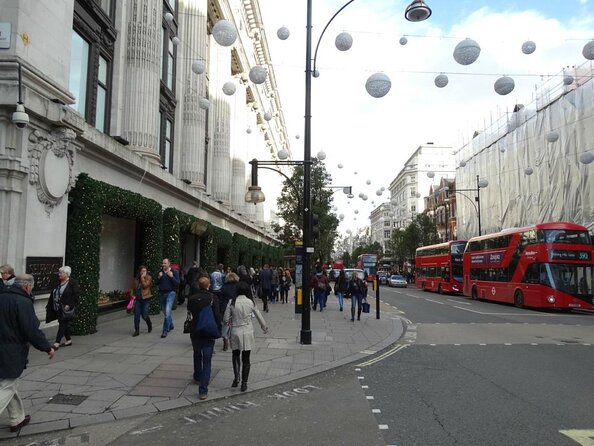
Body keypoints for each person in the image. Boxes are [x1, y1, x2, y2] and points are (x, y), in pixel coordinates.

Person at [0, 275, 55, 432]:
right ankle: (17, 419)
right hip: (11, 351)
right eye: (32, 286)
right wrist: (47, 347)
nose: (32, 289)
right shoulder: (22, 302)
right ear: (26, 286)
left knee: (9, 383)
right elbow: (31, 330)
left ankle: (17, 419)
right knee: (7, 385)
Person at [223, 281, 268, 392]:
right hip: (247, 331)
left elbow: (225, 319)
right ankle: (244, 383)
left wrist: (229, 321)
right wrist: (264, 327)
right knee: (246, 358)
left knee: (235, 355)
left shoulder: (231, 302)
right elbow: (258, 315)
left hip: (235, 331)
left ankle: (236, 378)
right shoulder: (250, 302)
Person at [187, 277, 221, 400]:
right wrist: (219, 329)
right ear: (208, 285)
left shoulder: (192, 299)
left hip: (195, 331)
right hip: (208, 331)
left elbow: (189, 314)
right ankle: (203, 390)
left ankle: (197, 375)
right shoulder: (213, 298)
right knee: (207, 360)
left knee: (197, 353)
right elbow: (217, 315)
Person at [45, 266, 80, 349]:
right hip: (57, 306)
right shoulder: (58, 282)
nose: (59, 274)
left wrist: (69, 305)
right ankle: (68, 340)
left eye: (61, 273)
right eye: (59, 272)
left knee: (63, 323)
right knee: (64, 324)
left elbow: (76, 295)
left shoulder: (73, 283)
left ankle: (57, 343)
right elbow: (53, 294)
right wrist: (49, 305)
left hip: (66, 308)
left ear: (67, 274)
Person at [157, 258, 180, 338]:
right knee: (165, 312)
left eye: (165, 263)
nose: (163, 265)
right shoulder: (160, 272)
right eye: (162, 263)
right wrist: (159, 278)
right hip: (162, 293)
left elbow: (177, 284)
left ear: (169, 263)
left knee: (167, 311)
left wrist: (171, 277)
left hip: (171, 293)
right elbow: (156, 283)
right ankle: (170, 324)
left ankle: (165, 331)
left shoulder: (174, 272)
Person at [219, 272, 239, 351]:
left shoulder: (224, 287)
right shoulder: (238, 287)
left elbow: (221, 299)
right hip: (235, 306)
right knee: (234, 322)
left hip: (225, 306)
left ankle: (225, 339)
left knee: (225, 323)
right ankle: (233, 339)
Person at [131, 265, 153, 337]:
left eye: (145, 271)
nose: (143, 272)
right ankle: (137, 330)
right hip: (138, 300)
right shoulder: (136, 279)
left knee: (144, 315)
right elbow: (133, 288)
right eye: (142, 271)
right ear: (139, 271)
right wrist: (132, 295)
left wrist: (142, 278)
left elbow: (145, 286)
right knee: (136, 315)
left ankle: (149, 324)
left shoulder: (148, 278)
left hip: (146, 299)